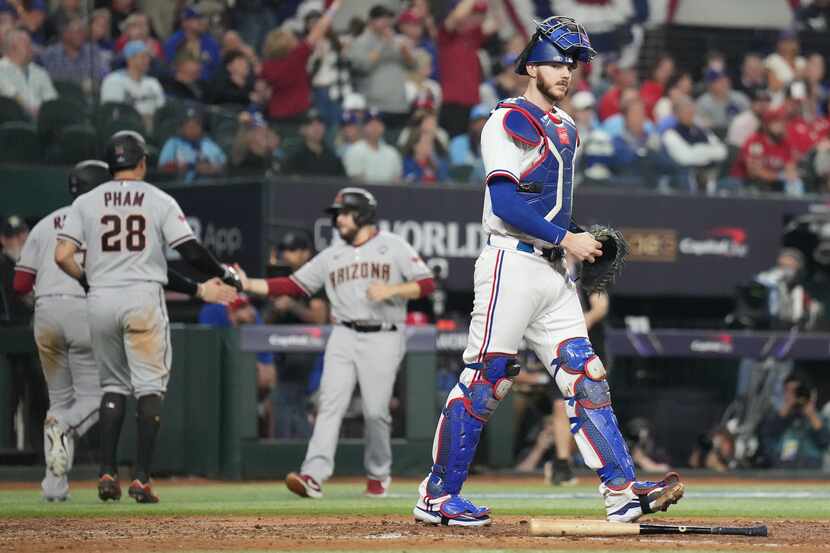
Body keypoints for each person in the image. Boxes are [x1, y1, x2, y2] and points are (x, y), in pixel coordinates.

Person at [412, 16, 684, 527]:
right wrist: (566, 238)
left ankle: (622, 492)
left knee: (587, 375)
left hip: (554, 271)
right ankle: (437, 495)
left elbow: (549, 209)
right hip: (511, 263)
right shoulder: (507, 119)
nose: (568, 72)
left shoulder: (565, 126)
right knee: (486, 377)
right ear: (532, 64)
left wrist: (580, 237)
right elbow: (507, 203)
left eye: (573, 64)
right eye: (559, 62)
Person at [13, 159, 234, 501]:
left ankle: (65, 483)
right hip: (105, 302)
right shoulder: (135, 203)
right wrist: (210, 282)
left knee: (74, 396)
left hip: (56, 311)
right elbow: (166, 260)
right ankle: (125, 468)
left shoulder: (55, 219)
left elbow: (24, 280)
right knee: (125, 390)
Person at [236, 187, 435, 498]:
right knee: (330, 404)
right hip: (342, 333)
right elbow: (291, 284)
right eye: (337, 214)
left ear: (363, 213)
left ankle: (378, 472)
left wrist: (392, 291)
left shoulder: (392, 246)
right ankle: (313, 475)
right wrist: (248, 284)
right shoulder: (331, 255)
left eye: (344, 213)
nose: (338, 220)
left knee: (375, 412)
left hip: (384, 334)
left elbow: (426, 284)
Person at [264, 232, 328, 439]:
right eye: (285, 250)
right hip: (281, 347)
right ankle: (294, 450)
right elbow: (268, 320)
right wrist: (278, 308)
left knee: (289, 399)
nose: (287, 255)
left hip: (305, 347)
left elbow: (319, 317)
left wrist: (292, 305)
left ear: (305, 253)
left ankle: (302, 450)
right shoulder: (282, 279)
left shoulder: (314, 279)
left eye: (293, 250)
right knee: (284, 401)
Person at [199, 294, 276, 437]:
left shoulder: (254, 324)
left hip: (250, 393)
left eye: (248, 306)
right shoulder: (214, 316)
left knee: (267, 405)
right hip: (219, 393)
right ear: (230, 313)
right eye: (242, 308)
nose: (251, 312)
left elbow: (268, 377)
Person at [259, 0, 340, 124]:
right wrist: (334, 6)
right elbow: (319, 29)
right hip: (298, 113)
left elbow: (263, 91)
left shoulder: (265, 67)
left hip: (275, 114)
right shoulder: (296, 57)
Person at [348, 4, 415, 128]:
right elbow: (364, 66)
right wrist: (383, 44)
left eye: (388, 18)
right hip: (375, 105)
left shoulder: (398, 40)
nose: (386, 22)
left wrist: (405, 51)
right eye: (381, 18)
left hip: (399, 105)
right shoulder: (360, 42)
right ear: (371, 21)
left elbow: (413, 66)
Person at [759, 372, 829, 468]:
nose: (794, 394)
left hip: (812, 471)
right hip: (784, 469)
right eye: (788, 391)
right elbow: (767, 436)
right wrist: (786, 408)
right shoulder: (776, 416)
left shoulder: (819, 418)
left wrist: (810, 413)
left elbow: (825, 441)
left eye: (797, 391)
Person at [99, 40, 165, 131]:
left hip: (152, 129)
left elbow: (162, 110)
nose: (147, 60)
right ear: (130, 59)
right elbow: (112, 113)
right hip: (124, 129)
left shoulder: (153, 83)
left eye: (148, 57)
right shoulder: (113, 80)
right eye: (142, 57)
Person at [39, 16, 110, 92]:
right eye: (77, 31)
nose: (81, 35)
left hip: (87, 98)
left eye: (83, 31)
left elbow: (103, 75)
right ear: (65, 34)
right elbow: (49, 80)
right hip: (60, 98)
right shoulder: (51, 54)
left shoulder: (92, 51)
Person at [158, 106, 227, 182]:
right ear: (181, 127)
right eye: (188, 125)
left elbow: (224, 165)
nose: (192, 128)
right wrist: (191, 167)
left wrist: (210, 169)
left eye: (196, 124)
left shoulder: (208, 143)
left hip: (209, 186)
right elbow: (162, 168)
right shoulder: (173, 143)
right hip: (182, 188)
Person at [0, 29, 57, 118]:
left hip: (42, 120)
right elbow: (12, 96)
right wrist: (29, 110)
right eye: (27, 45)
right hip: (12, 120)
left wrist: (44, 112)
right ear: (13, 48)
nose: (32, 49)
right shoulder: (1, 70)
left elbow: (51, 99)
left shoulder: (39, 72)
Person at [342, 109, 403, 183]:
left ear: (383, 127)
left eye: (378, 123)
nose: (375, 127)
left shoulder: (392, 152)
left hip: (389, 193)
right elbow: (355, 179)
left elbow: (397, 180)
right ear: (364, 127)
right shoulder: (354, 150)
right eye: (371, 124)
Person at [162, 6, 219, 80]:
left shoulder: (211, 43)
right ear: (185, 23)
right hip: (180, 84)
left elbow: (216, 67)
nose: (201, 22)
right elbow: (169, 67)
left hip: (207, 84)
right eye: (196, 19)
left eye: (201, 19)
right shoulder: (173, 43)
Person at [283, 109, 344, 177]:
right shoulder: (294, 157)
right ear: (302, 129)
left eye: (320, 123)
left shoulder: (333, 158)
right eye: (310, 124)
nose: (316, 128)